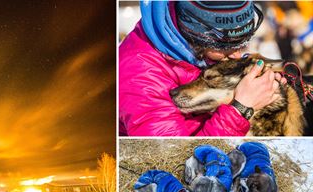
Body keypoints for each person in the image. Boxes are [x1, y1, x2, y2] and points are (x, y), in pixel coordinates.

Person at [119, 1, 286, 136]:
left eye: (242, 43)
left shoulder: (202, 50)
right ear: (196, 36)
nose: (236, 55)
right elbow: (174, 152)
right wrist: (240, 109)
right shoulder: (141, 72)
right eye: (225, 47)